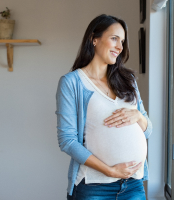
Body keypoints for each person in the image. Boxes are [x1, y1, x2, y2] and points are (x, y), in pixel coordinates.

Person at [55, 14, 152, 200]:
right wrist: (110, 171)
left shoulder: (128, 80)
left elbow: (148, 131)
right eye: (114, 38)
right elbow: (67, 140)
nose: (120, 47)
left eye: (122, 41)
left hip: (133, 184)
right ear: (94, 39)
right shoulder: (72, 82)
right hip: (94, 186)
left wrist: (138, 117)